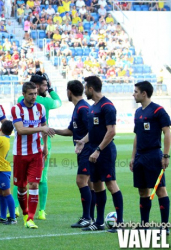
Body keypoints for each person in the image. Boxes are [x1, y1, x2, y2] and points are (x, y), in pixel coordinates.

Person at [74, 76, 124, 233]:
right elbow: (94, 132)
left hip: (105, 151)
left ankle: (120, 223)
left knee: (111, 184)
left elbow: (111, 131)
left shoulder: (107, 106)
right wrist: (83, 141)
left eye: (85, 87)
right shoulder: (92, 107)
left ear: (90, 89)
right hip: (93, 151)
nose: (83, 90)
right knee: (96, 184)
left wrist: (98, 150)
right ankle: (99, 222)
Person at [14, 72, 62, 220]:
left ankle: (17, 208)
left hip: (28, 144)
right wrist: (52, 89)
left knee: (21, 181)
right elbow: (59, 102)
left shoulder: (20, 99)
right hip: (41, 141)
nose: (46, 87)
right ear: (37, 86)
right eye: (45, 85)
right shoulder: (45, 103)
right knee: (42, 177)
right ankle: (41, 211)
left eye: (47, 85)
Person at [131, 81, 171, 235]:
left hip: (154, 155)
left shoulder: (158, 110)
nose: (133, 94)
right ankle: (144, 225)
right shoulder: (138, 112)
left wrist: (166, 155)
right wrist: (133, 157)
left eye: (135, 91)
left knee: (160, 190)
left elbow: (167, 132)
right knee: (143, 192)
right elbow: (137, 136)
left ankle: (164, 226)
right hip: (140, 157)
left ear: (144, 93)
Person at [53, 80, 95, 227]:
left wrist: (83, 142)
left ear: (69, 91)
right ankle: (91, 217)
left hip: (87, 150)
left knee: (81, 181)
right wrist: (54, 130)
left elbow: (93, 130)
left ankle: (87, 217)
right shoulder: (78, 108)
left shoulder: (83, 108)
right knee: (89, 183)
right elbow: (71, 131)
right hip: (83, 150)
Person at [11, 81, 52, 229]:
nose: (34, 96)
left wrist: (45, 147)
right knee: (21, 188)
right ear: (23, 94)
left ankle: (30, 219)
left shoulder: (40, 108)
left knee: (34, 184)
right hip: (20, 154)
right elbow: (21, 130)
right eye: (31, 94)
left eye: (35, 93)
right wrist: (40, 128)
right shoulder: (16, 109)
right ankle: (25, 213)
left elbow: (45, 128)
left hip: (36, 153)